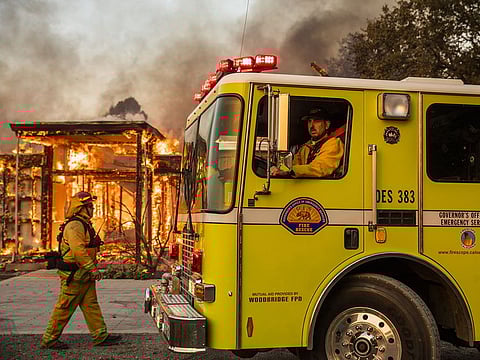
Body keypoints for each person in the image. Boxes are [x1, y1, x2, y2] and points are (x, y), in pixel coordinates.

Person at [40, 191, 122, 349]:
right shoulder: (75, 225)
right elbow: (78, 251)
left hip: (83, 275)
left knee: (91, 305)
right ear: (81, 208)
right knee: (64, 307)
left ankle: (100, 336)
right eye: (89, 206)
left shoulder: (84, 224)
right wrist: (92, 268)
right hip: (74, 275)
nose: (92, 209)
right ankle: (49, 339)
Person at [271, 107, 344, 178]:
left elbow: (320, 168)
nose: (312, 126)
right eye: (309, 121)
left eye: (317, 121)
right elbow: (293, 165)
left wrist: (290, 171)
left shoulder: (334, 144)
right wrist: (279, 170)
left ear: (327, 125)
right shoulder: (305, 147)